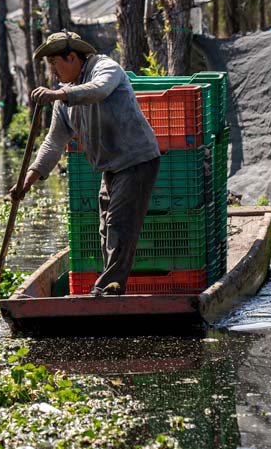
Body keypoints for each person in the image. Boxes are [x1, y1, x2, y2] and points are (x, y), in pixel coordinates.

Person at [11, 30, 160, 296]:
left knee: (118, 225)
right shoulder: (64, 101)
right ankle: (111, 289)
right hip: (111, 167)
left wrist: (58, 95)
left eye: (56, 64)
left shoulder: (105, 68)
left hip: (137, 159)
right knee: (106, 229)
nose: (55, 72)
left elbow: (99, 90)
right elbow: (53, 143)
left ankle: (107, 290)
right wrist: (27, 181)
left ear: (72, 57)